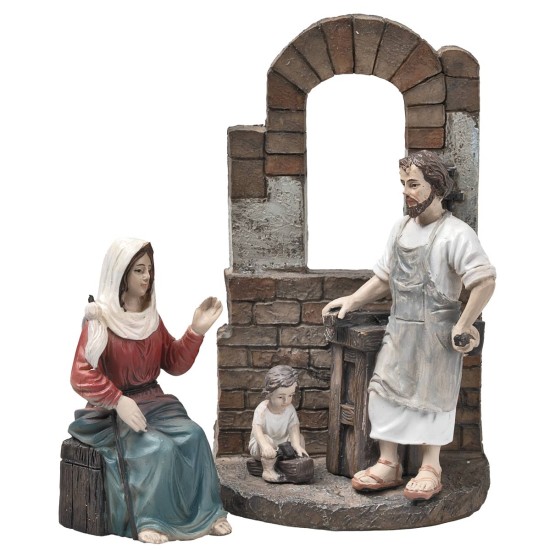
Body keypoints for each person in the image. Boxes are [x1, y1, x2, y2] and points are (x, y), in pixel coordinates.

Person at [322, 150, 496, 501]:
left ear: (437, 187)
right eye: (403, 184)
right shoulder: (400, 229)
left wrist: (464, 323)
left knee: (432, 398)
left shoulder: (456, 234)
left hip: (436, 334)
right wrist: (354, 299)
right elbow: (383, 277)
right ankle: (388, 462)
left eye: (414, 184)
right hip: (400, 330)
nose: (407, 192)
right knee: (382, 392)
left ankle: (431, 466)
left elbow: (484, 281)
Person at [68, 238, 231, 543]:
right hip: (113, 413)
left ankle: (206, 515)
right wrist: (117, 400)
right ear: (121, 274)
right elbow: (80, 374)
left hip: (155, 403)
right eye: (139, 270)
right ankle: (150, 520)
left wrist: (196, 331)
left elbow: (173, 362)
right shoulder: (100, 320)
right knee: (159, 448)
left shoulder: (151, 319)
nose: (147, 277)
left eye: (149, 270)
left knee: (195, 436)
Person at [249, 365, 309, 482]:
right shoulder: (262, 409)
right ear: (269, 394)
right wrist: (265, 446)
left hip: (282, 444)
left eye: (290, 395)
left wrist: (296, 444)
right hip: (261, 445)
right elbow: (257, 430)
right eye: (281, 397)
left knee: (300, 439)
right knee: (268, 441)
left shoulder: (289, 409)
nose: (287, 401)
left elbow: (293, 427)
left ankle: (291, 464)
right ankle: (268, 470)